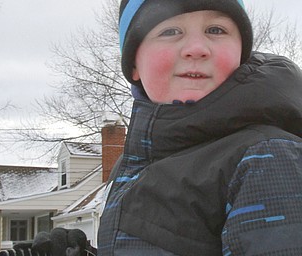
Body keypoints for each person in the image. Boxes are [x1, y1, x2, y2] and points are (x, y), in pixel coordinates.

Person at [97, 0, 302, 255]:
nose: (196, 49)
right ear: (134, 65)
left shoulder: (267, 158)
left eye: (216, 30)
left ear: (241, 53)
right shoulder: (135, 163)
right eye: (170, 31)